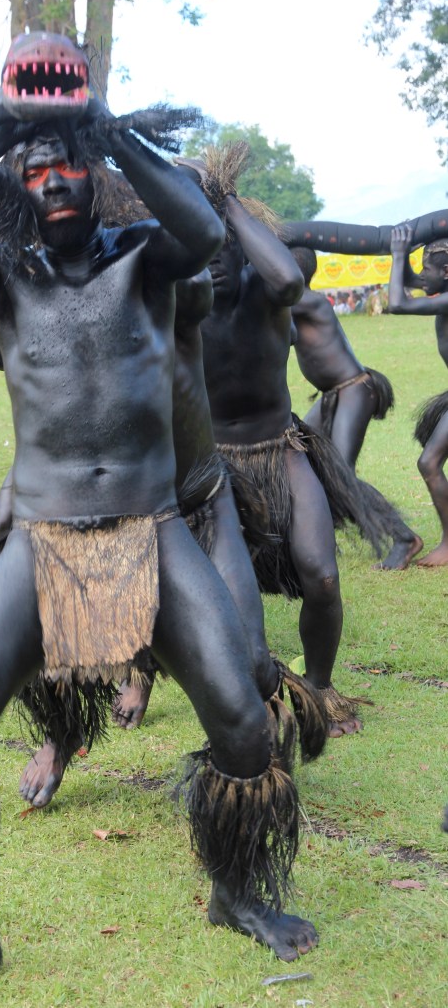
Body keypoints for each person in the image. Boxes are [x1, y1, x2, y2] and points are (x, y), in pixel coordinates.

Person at [0, 72, 316, 996]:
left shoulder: (146, 262)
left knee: (239, 719)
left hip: (152, 530)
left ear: (93, 175)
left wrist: (106, 132)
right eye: (34, 173)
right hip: (42, 541)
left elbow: (200, 226)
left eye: (67, 166)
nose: (53, 183)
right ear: (16, 190)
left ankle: (234, 894)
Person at [179, 146, 374, 740]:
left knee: (321, 576)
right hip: (210, 468)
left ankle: (318, 688)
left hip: (282, 449)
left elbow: (288, 275)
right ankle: (148, 676)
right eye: (198, 245)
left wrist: (223, 195)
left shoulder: (269, 291)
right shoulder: (178, 302)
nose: (210, 259)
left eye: (222, 243)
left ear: (242, 243)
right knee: (197, 591)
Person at [290, 246, 422, 570]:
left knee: (341, 472)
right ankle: (324, 531)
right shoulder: (295, 303)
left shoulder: (304, 301)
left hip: (353, 391)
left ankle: (404, 538)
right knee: (299, 453)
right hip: (333, 394)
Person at [388, 225, 448, 566]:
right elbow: (413, 280)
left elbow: (397, 303)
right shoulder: (441, 288)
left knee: (429, 462)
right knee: (430, 461)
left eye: (429, 269)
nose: (422, 275)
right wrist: (404, 250)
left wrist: (399, 254)